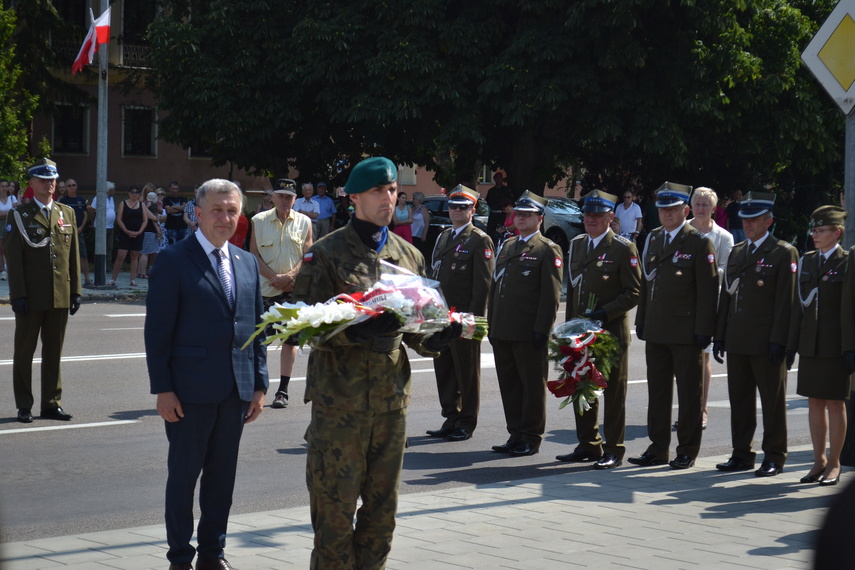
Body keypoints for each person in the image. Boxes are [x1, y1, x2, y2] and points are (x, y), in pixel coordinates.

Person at [292, 156, 460, 568]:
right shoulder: (326, 254)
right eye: (377, 191)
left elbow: (415, 327)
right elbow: (302, 328)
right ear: (354, 198)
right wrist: (355, 331)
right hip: (340, 405)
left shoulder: (408, 255)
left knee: (382, 516)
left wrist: (437, 336)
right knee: (333, 517)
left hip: (390, 404)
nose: (388, 198)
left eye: (392, 191)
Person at [145, 179, 268, 570]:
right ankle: (180, 556)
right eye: (217, 210)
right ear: (196, 214)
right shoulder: (174, 260)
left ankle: (213, 554)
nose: (225, 218)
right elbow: (157, 333)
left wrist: (260, 384)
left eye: (232, 210)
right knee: (183, 479)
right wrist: (163, 389)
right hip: (189, 393)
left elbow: (256, 328)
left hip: (235, 392)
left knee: (221, 479)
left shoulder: (246, 262)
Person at [629, 182, 718, 470]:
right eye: (663, 209)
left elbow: (708, 290)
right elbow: (647, 283)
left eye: (673, 209)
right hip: (656, 327)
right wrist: (641, 319)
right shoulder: (654, 238)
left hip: (685, 331)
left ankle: (687, 449)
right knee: (657, 392)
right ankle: (658, 448)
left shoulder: (698, 241)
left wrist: (705, 329)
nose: (667, 214)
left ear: (685, 210)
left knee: (689, 394)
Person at [713, 191, 797, 477]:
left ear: (769, 221)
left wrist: (779, 340)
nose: (748, 224)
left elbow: (786, 301)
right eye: (745, 219)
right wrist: (720, 335)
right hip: (737, 339)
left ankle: (774, 455)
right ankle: (741, 454)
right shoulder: (737, 251)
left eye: (755, 220)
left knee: (772, 403)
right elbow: (727, 297)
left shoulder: (783, 252)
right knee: (740, 401)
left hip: (766, 342)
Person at [556, 190, 641, 469]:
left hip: (610, 333)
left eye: (597, 215)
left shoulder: (622, 247)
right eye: (587, 215)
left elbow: (634, 292)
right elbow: (575, 289)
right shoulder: (578, 244)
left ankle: (614, 448)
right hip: (582, 333)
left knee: (613, 393)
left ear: (610, 217)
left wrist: (605, 313)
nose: (591, 220)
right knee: (583, 386)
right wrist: (570, 329)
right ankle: (588, 444)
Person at [489, 190, 563, 457]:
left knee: (531, 387)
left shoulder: (547, 249)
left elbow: (551, 295)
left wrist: (542, 329)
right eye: (518, 214)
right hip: (504, 328)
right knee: (509, 385)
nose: (520, 218)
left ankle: (531, 437)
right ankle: (515, 433)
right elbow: (496, 286)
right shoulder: (509, 245)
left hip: (528, 330)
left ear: (539, 218)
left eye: (527, 215)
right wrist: (492, 324)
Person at [7, 158, 81, 423]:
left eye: (52, 180)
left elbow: (72, 254)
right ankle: (24, 405)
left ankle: (51, 403)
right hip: (31, 296)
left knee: (54, 353)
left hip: (59, 294)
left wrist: (76, 291)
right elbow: (13, 258)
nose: (48, 185)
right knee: (24, 353)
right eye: (42, 180)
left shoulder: (66, 213)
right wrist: (18, 294)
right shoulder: (20, 215)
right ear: (32, 183)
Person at [787, 206, 850, 486]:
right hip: (810, 343)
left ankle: (834, 462)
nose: (815, 235)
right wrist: (791, 344)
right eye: (813, 230)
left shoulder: (846, 261)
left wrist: (850, 346)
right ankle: (818, 461)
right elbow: (796, 306)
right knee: (814, 403)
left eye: (821, 230)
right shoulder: (807, 261)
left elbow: (850, 307)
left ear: (837, 233)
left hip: (836, 344)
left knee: (835, 404)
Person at [426, 185, 494, 442]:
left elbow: (483, 284)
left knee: (467, 371)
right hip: (441, 315)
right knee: (444, 368)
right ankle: (450, 416)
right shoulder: (444, 236)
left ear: (472, 210)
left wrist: (473, 320)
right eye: (453, 206)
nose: (456, 210)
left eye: (463, 207)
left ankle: (466, 421)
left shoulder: (479, 239)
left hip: (463, 318)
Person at [250, 178, 312, 410]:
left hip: (292, 291)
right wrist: (275, 278)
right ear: (272, 197)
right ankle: (260, 389)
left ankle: (282, 391)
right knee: (261, 342)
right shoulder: (258, 220)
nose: (285, 200)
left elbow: (308, 254)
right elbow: (253, 255)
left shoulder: (304, 222)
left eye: (289, 196)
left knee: (290, 341)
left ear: (295, 199)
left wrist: (290, 278)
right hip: (265, 290)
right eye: (281, 196)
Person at [688, 187, 733, 429]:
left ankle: (702, 409)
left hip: (708, 304)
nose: (701, 208)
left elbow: (726, 271)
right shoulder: (680, 230)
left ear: (714, 208)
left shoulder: (724, 237)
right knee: (683, 360)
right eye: (698, 203)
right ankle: (687, 409)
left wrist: (700, 275)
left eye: (706, 204)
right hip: (680, 304)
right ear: (691, 205)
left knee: (704, 357)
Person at [110, 185, 159, 287]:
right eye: (132, 192)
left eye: (136, 193)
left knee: (135, 256)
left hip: (138, 234)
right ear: (128, 193)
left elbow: (145, 220)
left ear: (139, 195)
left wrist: (139, 231)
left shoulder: (142, 205)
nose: (134, 194)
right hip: (125, 233)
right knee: (121, 256)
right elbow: (119, 219)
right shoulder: (123, 203)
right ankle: (113, 279)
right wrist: (126, 231)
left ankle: (132, 279)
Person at [58, 178, 92, 286]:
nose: (72, 188)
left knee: (83, 255)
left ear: (76, 186)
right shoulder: (63, 201)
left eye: (73, 185)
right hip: (67, 232)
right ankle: (66, 279)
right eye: (69, 186)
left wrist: (81, 227)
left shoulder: (81, 200)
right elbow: (60, 216)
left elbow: (85, 214)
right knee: (66, 256)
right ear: (66, 188)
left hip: (79, 231)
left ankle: (87, 279)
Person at [139, 186, 165, 278]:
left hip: (149, 228)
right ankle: (143, 272)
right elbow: (145, 210)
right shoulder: (150, 204)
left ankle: (140, 271)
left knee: (144, 252)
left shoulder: (151, 204)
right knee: (145, 252)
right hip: (149, 229)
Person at [89, 181, 117, 265]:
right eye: (113, 189)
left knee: (109, 247)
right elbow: (92, 210)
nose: (114, 191)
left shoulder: (111, 198)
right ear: (109, 190)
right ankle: (99, 265)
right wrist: (93, 222)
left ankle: (108, 265)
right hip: (101, 227)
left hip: (110, 226)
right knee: (101, 247)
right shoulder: (98, 197)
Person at [485, 172, 513, 243]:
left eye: (500, 178)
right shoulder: (491, 191)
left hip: (502, 214)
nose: (498, 180)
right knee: (490, 232)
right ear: (494, 179)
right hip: (493, 213)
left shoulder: (506, 190)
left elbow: (509, 202)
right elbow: (488, 201)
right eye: (496, 178)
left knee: (502, 232)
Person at [0, 178, 19, 281]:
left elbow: (15, 211)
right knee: (1, 248)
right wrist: (8, 212)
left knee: (10, 246)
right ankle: (3, 270)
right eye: (2, 186)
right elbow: (10, 211)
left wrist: (4, 214)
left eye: (6, 186)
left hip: (10, 224)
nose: (4, 188)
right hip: (0, 225)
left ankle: (10, 268)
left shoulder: (12, 198)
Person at [410, 191, 431, 256]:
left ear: (418, 200)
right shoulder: (412, 209)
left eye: (414, 198)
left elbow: (426, 222)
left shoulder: (423, 209)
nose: (412, 200)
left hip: (418, 234)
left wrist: (424, 235)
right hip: (411, 233)